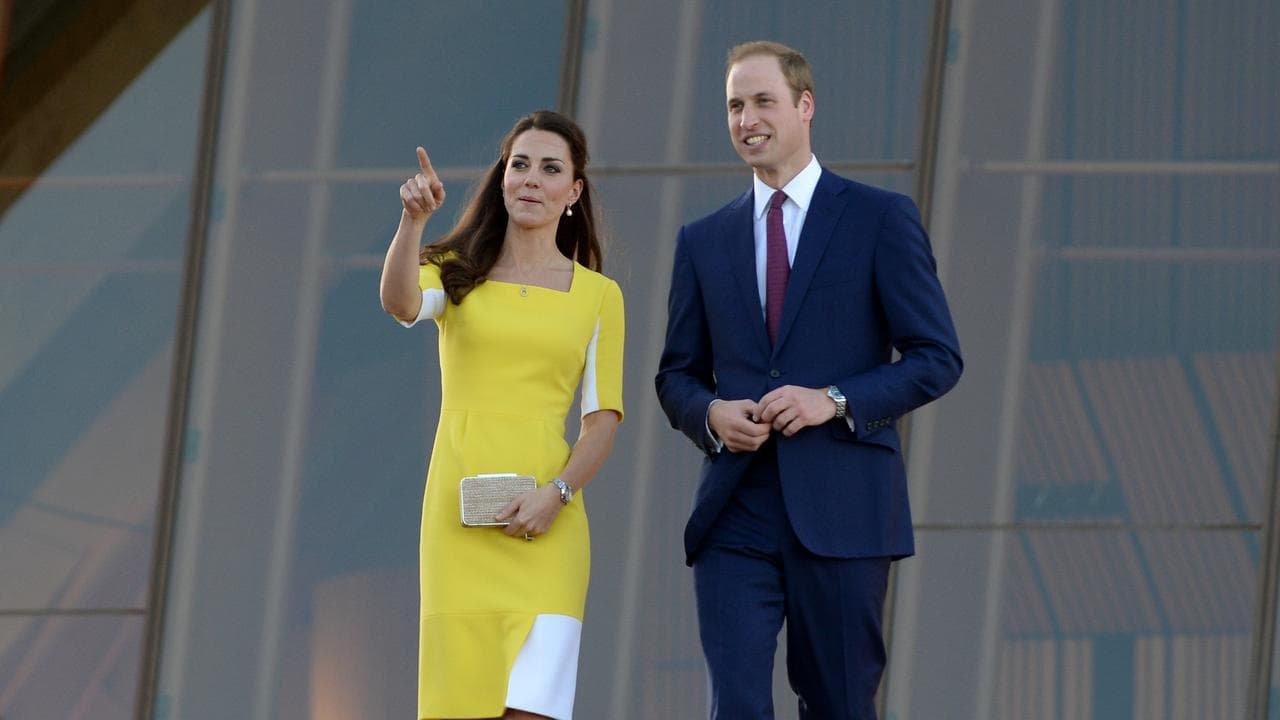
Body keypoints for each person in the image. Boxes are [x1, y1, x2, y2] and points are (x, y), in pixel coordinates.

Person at [655, 41, 963, 718]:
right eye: (735, 105)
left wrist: (834, 400)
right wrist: (710, 415)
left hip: (845, 512)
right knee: (735, 706)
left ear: (805, 105)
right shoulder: (702, 241)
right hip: (736, 513)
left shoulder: (880, 219)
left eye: (762, 101)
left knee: (840, 706)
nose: (746, 118)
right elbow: (676, 374)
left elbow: (936, 356)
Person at [380, 110, 624, 720]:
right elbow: (399, 300)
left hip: (550, 526)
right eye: (519, 165)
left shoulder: (598, 296)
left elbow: (602, 421)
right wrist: (413, 221)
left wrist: (557, 494)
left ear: (574, 191)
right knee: (460, 705)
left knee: (535, 708)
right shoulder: (456, 273)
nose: (531, 180)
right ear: (502, 178)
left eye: (550, 169)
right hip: (458, 526)